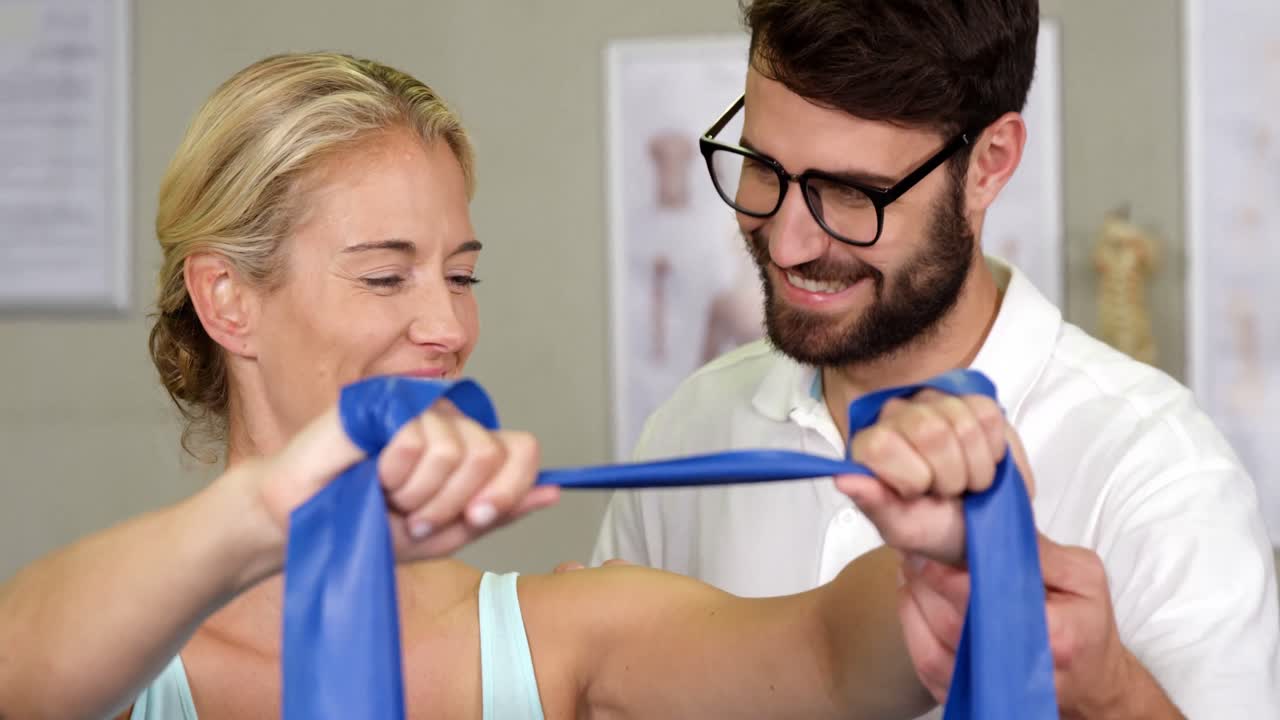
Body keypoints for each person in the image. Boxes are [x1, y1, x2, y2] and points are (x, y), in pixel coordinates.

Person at [0, 51, 1013, 720]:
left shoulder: (556, 637)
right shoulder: (116, 652)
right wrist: (274, 510)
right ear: (227, 299)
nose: (446, 328)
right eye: (385, 274)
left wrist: (939, 563)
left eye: (460, 274)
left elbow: (829, 658)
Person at [592, 2, 1280, 718]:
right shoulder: (689, 432)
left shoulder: (1158, 476)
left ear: (989, 165)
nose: (789, 243)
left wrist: (1110, 696)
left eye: (851, 194)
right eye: (761, 167)